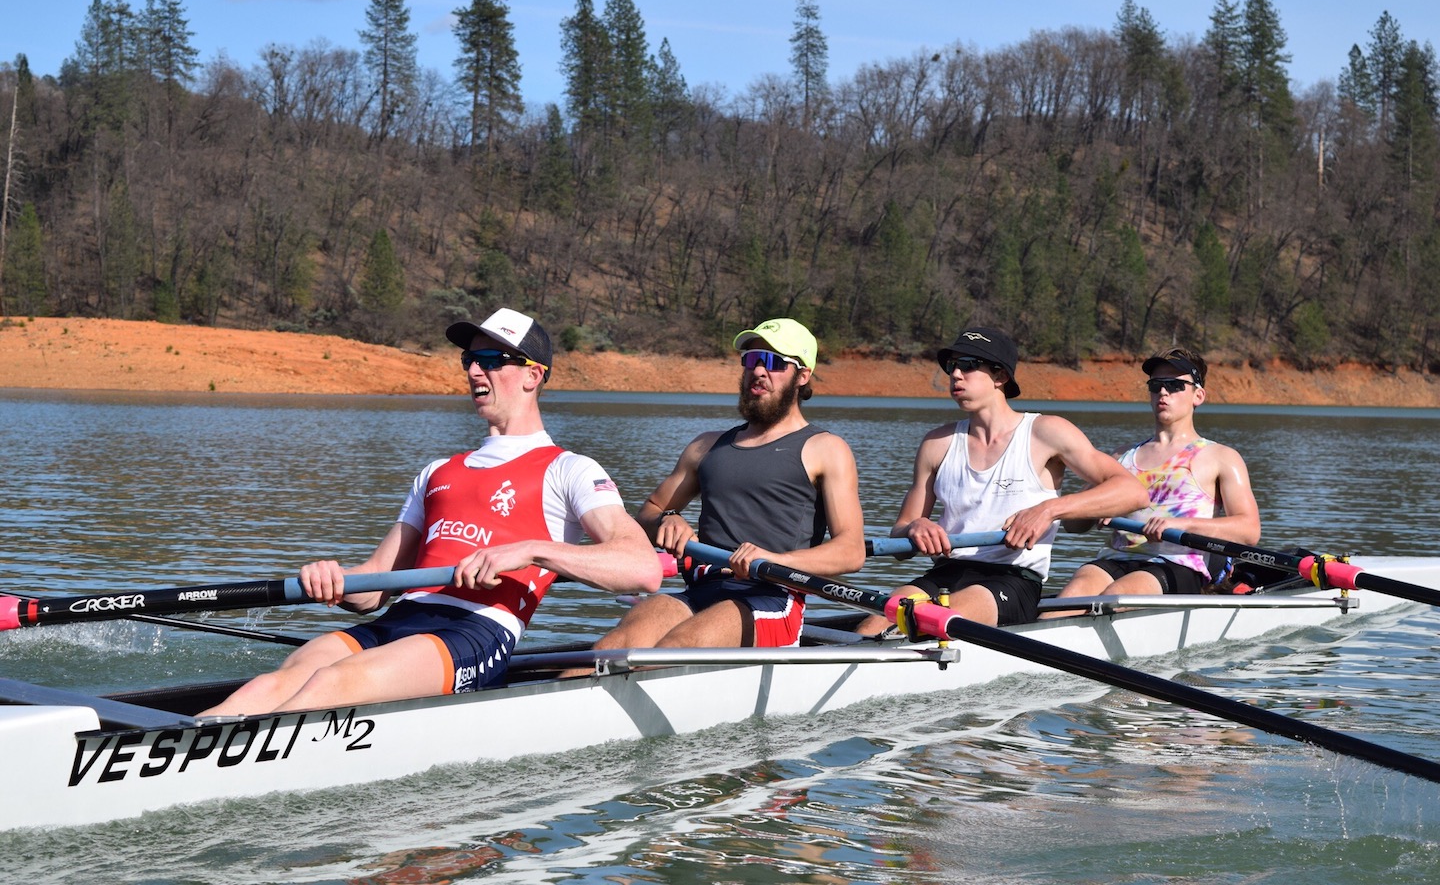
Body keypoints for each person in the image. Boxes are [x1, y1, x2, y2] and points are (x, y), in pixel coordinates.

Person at [201, 308, 658, 716]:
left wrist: (531, 551)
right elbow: (374, 585)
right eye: (469, 360)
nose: (475, 370)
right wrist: (334, 580)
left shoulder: (569, 470)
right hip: (401, 618)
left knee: (334, 681)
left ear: (532, 375)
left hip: (478, 629)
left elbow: (640, 570)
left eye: (493, 360)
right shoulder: (437, 471)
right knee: (272, 684)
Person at [590, 318, 866, 650]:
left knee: (677, 647)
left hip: (772, 597)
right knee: (611, 647)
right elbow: (648, 513)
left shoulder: (826, 449)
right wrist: (667, 520)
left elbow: (851, 551)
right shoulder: (705, 446)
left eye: (775, 362)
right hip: (700, 590)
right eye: (752, 360)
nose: (759, 370)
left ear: (802, 376)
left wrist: (775, 560)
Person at [854, 327, 1148, 635]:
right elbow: (900, 539)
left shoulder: (1046, 433)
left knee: (927, 621)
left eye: (967, 365)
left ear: (1000, 377)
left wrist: (1049, 510)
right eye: (950, 365)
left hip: (1012, 580)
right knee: (872, 626)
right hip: (944, 573)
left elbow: (1133, 491)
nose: (955, 374)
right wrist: (915, 527)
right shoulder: (936, 443)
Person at [1046, 347, 1261, 614]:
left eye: (1175, 385)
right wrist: (1095, 506)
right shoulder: (1121, 457)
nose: (1163, 392)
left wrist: (1177, 524)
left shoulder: (1221, 457)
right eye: (1156, 385)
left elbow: (1249, 530)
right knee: (1068, 600)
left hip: (1177, 565)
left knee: (1114, 598)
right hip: (1116, 559)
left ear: (1198, 395)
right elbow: (1073, 526)